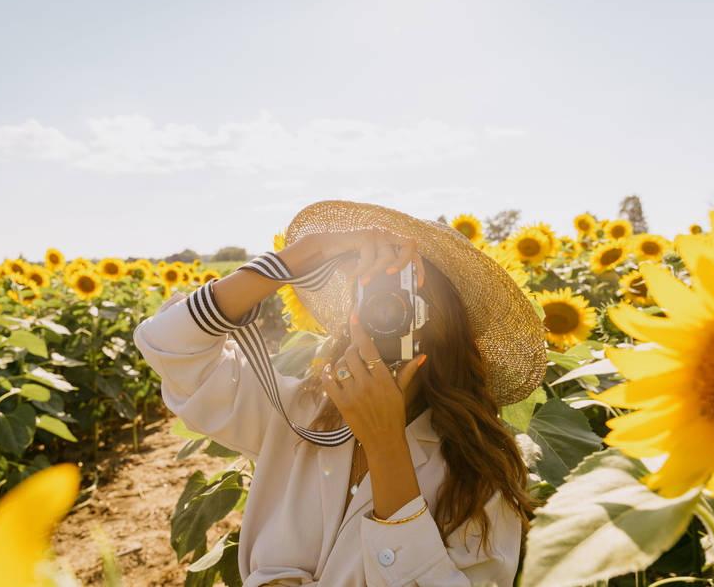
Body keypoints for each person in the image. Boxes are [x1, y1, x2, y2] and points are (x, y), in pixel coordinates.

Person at [133, 200, 548, 587]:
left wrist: (387, 448)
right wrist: (298, 257)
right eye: (375, 300)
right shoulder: (300, 414)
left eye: (406, 301)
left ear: (444, 326)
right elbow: (170, 347)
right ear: (353, 313)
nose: (387, 315)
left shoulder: (479, 470)